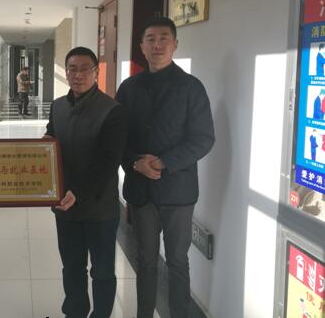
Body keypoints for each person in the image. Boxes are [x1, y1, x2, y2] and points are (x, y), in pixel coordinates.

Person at [115, 17, 215, 318]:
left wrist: (164, 162)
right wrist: (135, 162)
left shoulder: (191, 87)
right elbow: (117, 136)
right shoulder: (129, 88)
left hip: (178, 191)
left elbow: (203, 139)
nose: (157, 45)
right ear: (142, 46)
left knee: (177, 261)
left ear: (175, 44)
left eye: (163, 38)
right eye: (150, 39)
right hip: (141, 189)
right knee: (145, 260)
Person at [44, 47, 128, 318]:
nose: (78, 75)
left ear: (96, 72)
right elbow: (51, 137)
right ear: (66, 72)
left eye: (85, 69)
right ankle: (75, 312)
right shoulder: (58, 106)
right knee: (72, 267)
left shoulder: (112, 110)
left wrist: (78, 192)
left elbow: (108, 162)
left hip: (99, 207)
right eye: (72, 69)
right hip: (64, 205)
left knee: (102, 271)